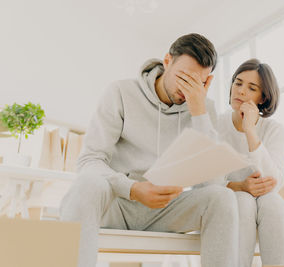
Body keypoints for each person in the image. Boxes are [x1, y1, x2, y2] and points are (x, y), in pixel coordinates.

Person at [60, 33, 239, 267]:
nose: (187, 90)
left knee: (223, 197)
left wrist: (199, 112)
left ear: (207, 82)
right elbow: (89, 161)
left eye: (196, 83)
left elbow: (212, 185)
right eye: (183, 78)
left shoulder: (203, 109)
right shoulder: (120, 92)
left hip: (164, 211)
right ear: (167, 61)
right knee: (88, 183)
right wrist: (132, 189)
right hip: (118, 203)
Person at [217, 58, 284, 267]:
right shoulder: (216, 124)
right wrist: (239, 186)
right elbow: (203, 180)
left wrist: (250, 130)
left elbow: (273, 182)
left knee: (274, 202)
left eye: (251, 88)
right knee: (242, 200)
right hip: (229, 202)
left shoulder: (274, 130)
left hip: (265, 205)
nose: (240, 91)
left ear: (262, 97)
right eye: (238, 83)